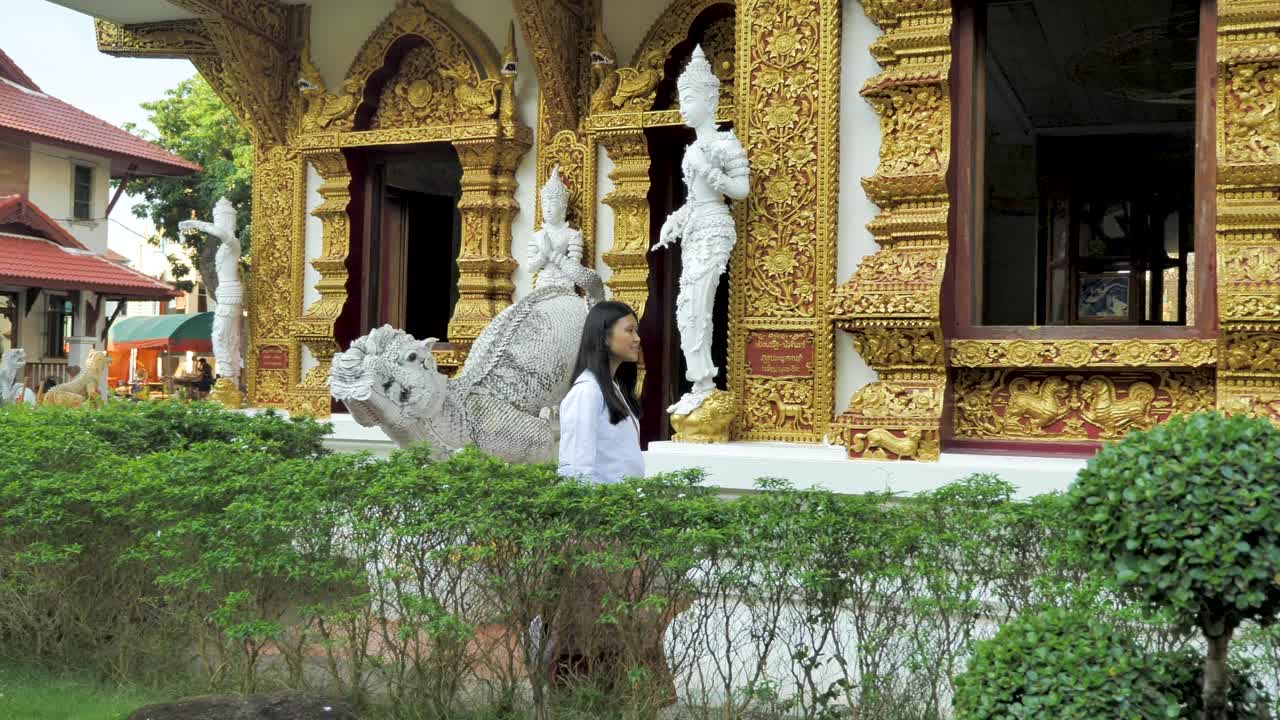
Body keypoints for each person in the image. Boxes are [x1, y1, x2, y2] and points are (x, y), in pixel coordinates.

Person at [557, 301, 644, 485]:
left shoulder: (615, 389)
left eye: (636, 331)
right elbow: (575, 468)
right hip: (601, 508)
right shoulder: (587, 392)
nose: (637, 338)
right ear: (604, 337)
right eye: (629, 330)